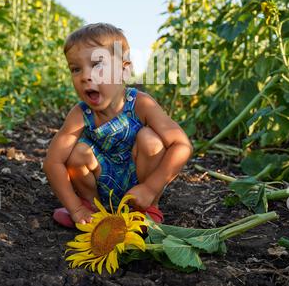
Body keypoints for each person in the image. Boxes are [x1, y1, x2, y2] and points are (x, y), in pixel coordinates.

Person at [43, 23, 193, 227]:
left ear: (124, 70)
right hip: (100, 188)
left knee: (150, 140)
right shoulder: (80, 114)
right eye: (76, 69)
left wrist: (150, 188)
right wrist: (74, 207)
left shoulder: (140, 104)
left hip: (141, 190)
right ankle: (92, 211)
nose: (86, 76)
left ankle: (146, 210)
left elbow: (182, 145)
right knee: (77, 152)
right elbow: (53, 162)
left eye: (97, 65)